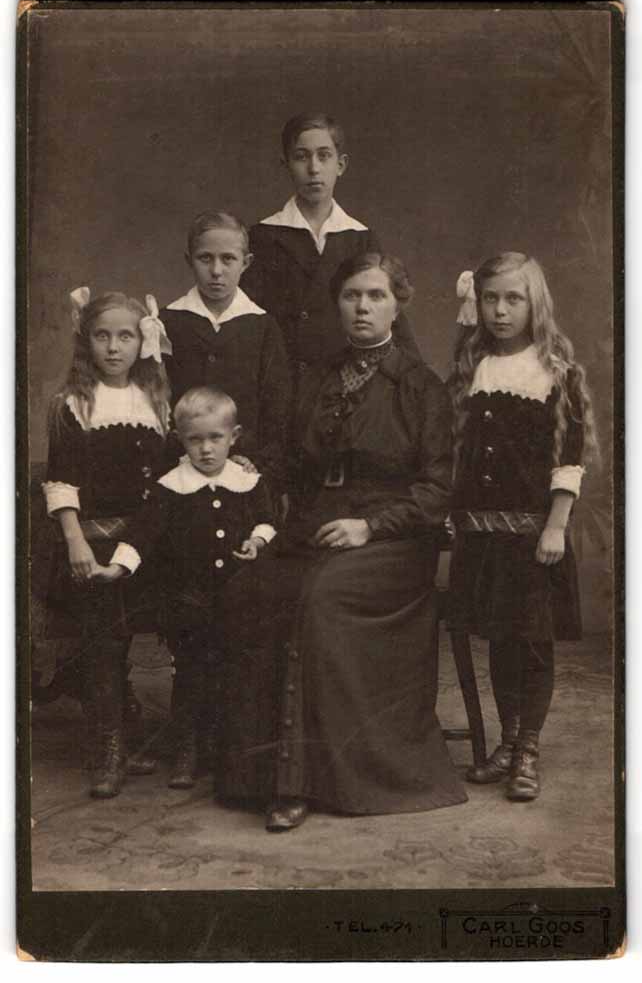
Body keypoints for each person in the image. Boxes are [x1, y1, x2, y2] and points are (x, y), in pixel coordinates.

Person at [216, 251, 467, 831]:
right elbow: (291, 469)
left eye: (376, 296)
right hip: (317, 528)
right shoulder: (320, 377)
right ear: (338, 304)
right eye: (352, 295)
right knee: (252, 586)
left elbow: (436, 489)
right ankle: (252, 776)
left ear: (396, 303)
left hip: (395, 540)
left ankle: (299, 782)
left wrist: (371, 526)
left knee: (321, 597)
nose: (362, 307)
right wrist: (264, 528)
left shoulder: (420, 387)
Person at [448, 253, 598, 801]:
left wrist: (556, 525)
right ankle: (507, 742)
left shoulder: (556, 370)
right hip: (481, 536)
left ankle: (529, 747)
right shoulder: (473, 367)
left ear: (535, 303)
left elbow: (569, 458)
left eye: (514, 299)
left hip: (533, 535)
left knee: (533, 643)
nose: (501, 310)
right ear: (477, 303)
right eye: (491, 299)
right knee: (499, 641)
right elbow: (458, 452)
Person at [42, 288, 172, 799]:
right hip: (93, 534)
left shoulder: (157, 399)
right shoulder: (73, 403)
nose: (114, 348)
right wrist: (75, 540)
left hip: (150, 536)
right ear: (86, 340)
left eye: (125, 336)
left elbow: (167, 480)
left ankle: (168, 732)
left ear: (143, 341)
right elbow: (61, 480)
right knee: (104, 634)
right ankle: (110, 745)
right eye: (102, 336)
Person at [119, 387, 276, 789]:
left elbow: (267, 520)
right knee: (190, 672)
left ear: (234, 436)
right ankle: (188, 747)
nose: (206, 449)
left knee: (234, 669)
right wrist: (121, 565)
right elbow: (145, 532)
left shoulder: (247, 481)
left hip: (238, 597)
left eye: (215, 438)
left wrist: (256, 542)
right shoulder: (171, 487)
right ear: (179, 438)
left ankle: (227, 748)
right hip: (189, 599)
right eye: (195, 439)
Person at [241, 112, 418, 388]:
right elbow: (247, 322)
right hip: (283, 384)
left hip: (345, 384)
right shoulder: (263, 236)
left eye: (324, 156)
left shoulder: (360, 238)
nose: (313, 168)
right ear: (285, 164)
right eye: (301, 157)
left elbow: (391, 317)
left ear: (341, 164)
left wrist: (417, 381)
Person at [160, 210, 291, 489]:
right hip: (180, 469)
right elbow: (156, 400)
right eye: (205, 258)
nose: (216, 271)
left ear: (246, 263)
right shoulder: (167, 322)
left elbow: (276, 411)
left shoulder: (263, 327)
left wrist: (256, 463)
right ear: (189, 261)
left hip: (246, 469)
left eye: (228, 259)